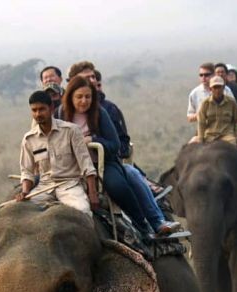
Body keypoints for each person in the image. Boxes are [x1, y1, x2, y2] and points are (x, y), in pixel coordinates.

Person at [60, 76, 172, 237]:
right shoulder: (61, 114)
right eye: (79, 97)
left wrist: (93, 140)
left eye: (88, 97)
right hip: (73, 166)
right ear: (70, 97)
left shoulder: (100, 113)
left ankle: (142, 225)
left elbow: (115, 144)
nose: (84, 101)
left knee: (117, 187)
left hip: (102, 164)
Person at [17, 90, 98, 215]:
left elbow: (87, 166)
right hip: (43, 188)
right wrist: (25, 192)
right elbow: (27, 172)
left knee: (83, 211)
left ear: (51, 108)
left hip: (70, 186)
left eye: (42, 109)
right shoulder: (29, 139)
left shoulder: (71, 131)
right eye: (34, 110)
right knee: (19, 212)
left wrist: (92, 193)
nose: (38, 114)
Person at [196, 76, 237, 144]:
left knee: (233, 147)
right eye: (215, 87)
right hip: (210, 136)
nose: (217, 90)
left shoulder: (231, 102)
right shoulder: (205, 104)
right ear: (210, 89)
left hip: (227, 135)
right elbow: (201, 123)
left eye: (219, 87)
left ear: (223, 88)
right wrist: (200, 138)